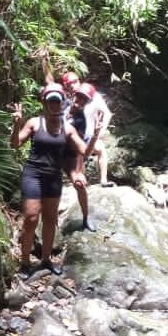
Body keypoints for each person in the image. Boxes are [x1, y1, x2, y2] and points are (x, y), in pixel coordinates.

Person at [11, 83, 102, 277]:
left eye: (57, 102)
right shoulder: (35, 123)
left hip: (53, 176)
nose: (54, 105)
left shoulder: (68, 129)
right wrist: (17, 125)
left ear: (62, 104)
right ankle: (25, 262)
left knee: (51, 219)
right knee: (31, 219)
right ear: (44, 102)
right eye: (51, 101)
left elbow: (84, 151)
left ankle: (45, 260)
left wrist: (95, 135)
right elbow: (16, 144)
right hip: (33, 174)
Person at [59, 70, 113, 187]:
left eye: (75, 82)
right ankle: (78, 181)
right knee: (77, 155)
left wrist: (100, 131)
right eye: (69, 84)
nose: (73, 85)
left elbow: (107, 113)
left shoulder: (92, 95)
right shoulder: (66, 99)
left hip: (89, 136)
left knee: (101, 150)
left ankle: (103, 180)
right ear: (65, 86)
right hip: (70, 137)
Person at [64, 82, 98, 232]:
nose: (80, 100)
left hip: (70, 156)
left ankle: (85, 217)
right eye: (79, 96)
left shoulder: (81, 121)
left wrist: (78, 171)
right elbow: (49, 81)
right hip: (52, 151)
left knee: (79, 184)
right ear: (74, 95)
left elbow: (79, 149)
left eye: (84, 99)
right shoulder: (61, 105)